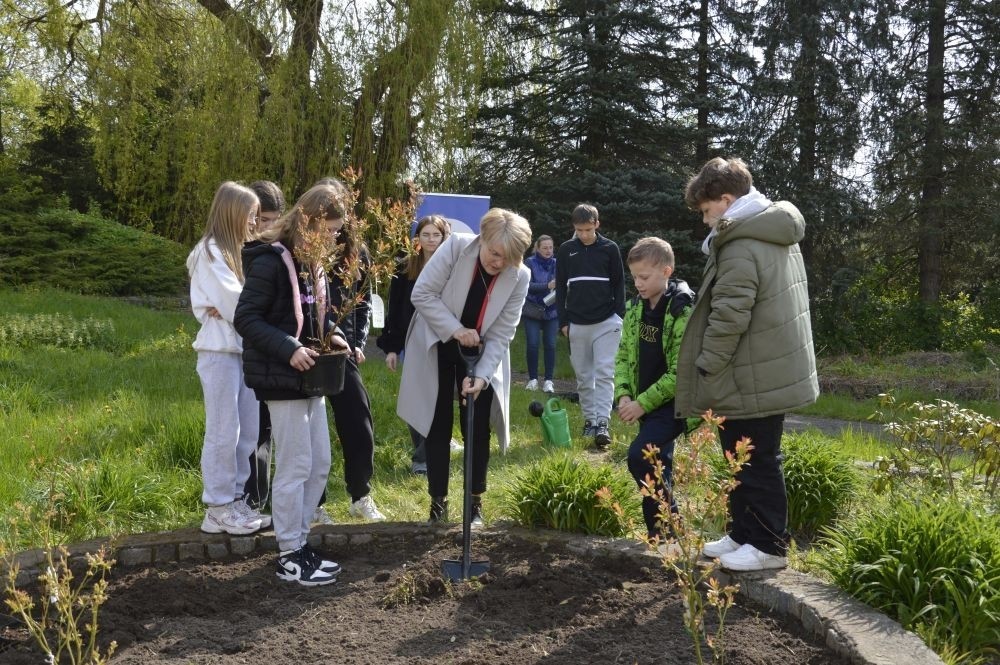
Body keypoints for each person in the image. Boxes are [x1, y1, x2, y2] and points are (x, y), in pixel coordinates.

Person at [675, 156, 819, 572]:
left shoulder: (741, 243)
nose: (704, 221)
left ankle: (769, 546)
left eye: (705, 211)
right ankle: (744, 532)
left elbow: (729, 315)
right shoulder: (770, 232)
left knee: (756, 460)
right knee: (741, 456)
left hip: (750, 370)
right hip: (760, 366)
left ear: (725, 199)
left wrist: (707, 364)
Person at [234, 182, 349, 586]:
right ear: (309, 221)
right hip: (282, 376)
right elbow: (247, 319)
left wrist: (330, 335)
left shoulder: (308, 260)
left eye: (338, 232)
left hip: (308, 376)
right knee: (296, 465)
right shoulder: (270, 259)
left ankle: (301, 542)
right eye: (331, 230)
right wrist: (289, 348)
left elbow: (308, 314)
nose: (335, 239)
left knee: (319, 463)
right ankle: (288, 553)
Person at [397, 208, 532, 527]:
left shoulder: (520, 276)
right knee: (437, 421)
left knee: (477, 426)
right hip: (438, 341)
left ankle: (475, 505)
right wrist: (456, 330)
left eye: (507, 259)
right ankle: (438, 502)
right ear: (483, 239)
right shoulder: (457, 246)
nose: (498, 263)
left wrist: (483, 376)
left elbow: (503, 331)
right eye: (494, 253)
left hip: (482, 352)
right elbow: (423, 294)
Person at [187, 181, 266, 536]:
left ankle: (235, 499)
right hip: (218, 352)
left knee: (246, 430)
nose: (254, 221)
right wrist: (247, 308)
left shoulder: (239, 252)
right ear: (234, 213)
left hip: (243, 350)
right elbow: (239, 304)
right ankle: (217, 506)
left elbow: (243, 302)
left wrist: (246, 307)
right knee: (223, 429)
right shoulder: (210, 252)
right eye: (250, 215)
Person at [614, 237, 694, 540]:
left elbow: (680, 373)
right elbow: (623, 355)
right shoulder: (635, 309)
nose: (638, 283)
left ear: (666, 271)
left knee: (640, 456)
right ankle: (661, 536)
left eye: (644, 277)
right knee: (660, 465)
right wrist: (623, 393)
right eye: (634, 276)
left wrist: (642, 404)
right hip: (644, 402)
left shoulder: (680, 312)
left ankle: (671, 522)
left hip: (672, 405)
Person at [312, 193, 386, 524]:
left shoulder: (356, 253)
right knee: (311, 427)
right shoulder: (305, 252)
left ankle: (360, 494)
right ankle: (314, 503)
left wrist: (356, 342)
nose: (333, 234)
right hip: (309, 346)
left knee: (358, 418)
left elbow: (362, 303)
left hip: (344, 348)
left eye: (337, 227)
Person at [376, 215, 452, 475]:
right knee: (415, 399)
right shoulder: (404, 268)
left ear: (444, 237)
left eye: (436, 235)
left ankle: (426, 455)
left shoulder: (453, 268)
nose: (431, 240)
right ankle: (422, 453)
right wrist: (392, 349)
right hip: (414, 341)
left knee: (438, 399)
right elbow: (395, 311)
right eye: (426, 235)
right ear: (416, 238)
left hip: (444, 340)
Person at [555, 203, 626, 449]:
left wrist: (619, 315)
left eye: (588, 229)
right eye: (579, 230)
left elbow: (619, 283)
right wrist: (563, 322)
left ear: (597, 224)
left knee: (605, 372)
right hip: (577, 323)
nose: (584, 234)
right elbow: (561, 286)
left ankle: (603, 422)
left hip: (607, 321)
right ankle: (589, 420)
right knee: (584, 377)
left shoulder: (610, 248)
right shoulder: (566, 250)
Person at [242, 180, 285, 512]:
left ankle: (260, 498)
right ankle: (247, 498)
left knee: (265, 430)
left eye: (273, 220)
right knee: (245, 429)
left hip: (270, 351)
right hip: (241, 352)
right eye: (262, 219)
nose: (266, 227)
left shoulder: (279, 251)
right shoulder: (238, 247)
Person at [522, 234, 558, 393]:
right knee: (533, 345)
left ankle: (549, 381)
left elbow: (563, 284)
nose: (548, 250)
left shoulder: (558, 263)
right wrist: (547, 285)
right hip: (532, 310)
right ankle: (533, 379)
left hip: (552, 311)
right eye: (545, 248)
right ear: (537, 248)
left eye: (550, 247)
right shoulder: (529, 263)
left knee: (550, 345)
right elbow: (526, 285)